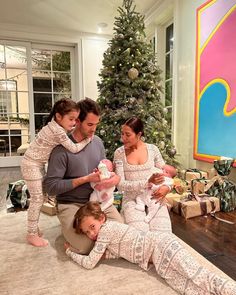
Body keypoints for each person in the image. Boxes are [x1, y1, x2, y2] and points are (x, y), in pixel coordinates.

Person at [65, 202, 236, 295]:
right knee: (186, 287)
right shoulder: (106, 235)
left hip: (161, 244)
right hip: (156, 260)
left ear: (102, 218)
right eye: (87, 232)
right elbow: (118, 250)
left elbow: (89, 263)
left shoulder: (106, 230)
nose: (92, 234)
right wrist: (104, 255)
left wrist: (69, 252)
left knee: (198, 275)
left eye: (93, 226)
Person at [43, 97, 123, 254]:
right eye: (90, 124)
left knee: (122, 232)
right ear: (77, 122)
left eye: (96, 125)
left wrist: (114, 178)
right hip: (71, 204)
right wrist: (86, 179)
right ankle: (71, 229)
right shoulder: (61, 149)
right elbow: (51, 188)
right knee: (86, 246)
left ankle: (89, 232)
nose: (94, 129)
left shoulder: (98, 142)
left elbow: (104, 169)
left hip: (96, 203)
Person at [21, 98, 91, 247]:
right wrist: (86, 140)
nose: (74, 123)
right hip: (31, 164)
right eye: (71, 119)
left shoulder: (54, 126)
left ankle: (33, 228)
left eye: (76, 119)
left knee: (41, 196)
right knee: (37, 199)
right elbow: (73, 148)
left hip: (36, 163)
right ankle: (31, 234)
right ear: (59, 117)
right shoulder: (58, 131)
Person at [113, 116, 174, 233]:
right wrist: (147, 183)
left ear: (139, 134)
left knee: (163, 233)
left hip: (154, 197)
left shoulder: (153, 150)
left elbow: (167, 174)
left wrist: (167, 187)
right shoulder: (119, 153)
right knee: (141, 234)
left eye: (127, 134)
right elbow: (120, 185)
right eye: (122, 134)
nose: (123, 138)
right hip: (132, 199)